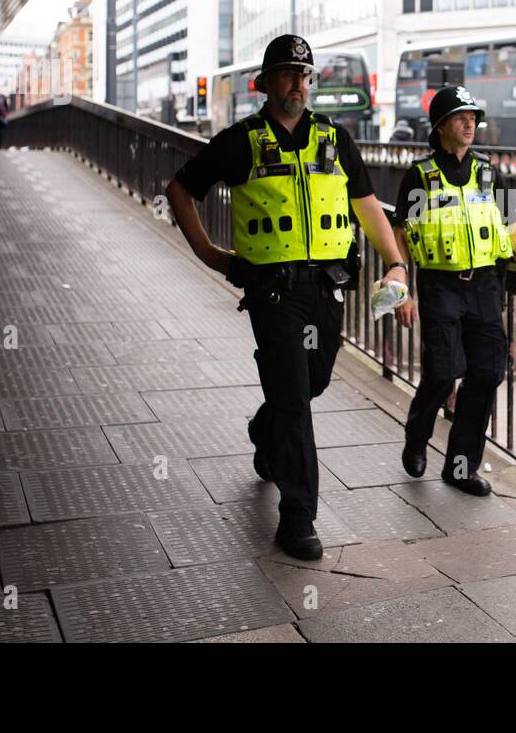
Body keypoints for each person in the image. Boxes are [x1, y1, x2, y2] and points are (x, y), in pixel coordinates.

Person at [165, 34, 409, 560]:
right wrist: (210, 254)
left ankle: (263, 427)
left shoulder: (335, 140)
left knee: (311, 381)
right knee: (296, 398)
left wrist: (395, 263)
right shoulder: (241, 141)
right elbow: (179, 190)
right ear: (266, 82)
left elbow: (367, 206)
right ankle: (298, 517)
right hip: (272, 292)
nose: (298, 84)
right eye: (287, 74)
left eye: (305, 75)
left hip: (327, 287)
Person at [392, 85, 516, 494]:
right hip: (440, 286)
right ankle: (417, 435)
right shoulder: (422, 176)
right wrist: (402, 284)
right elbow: (401, 233)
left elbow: (513, 227)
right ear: (440, 127)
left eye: (473, 117)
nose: (470, 123)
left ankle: (459, 468)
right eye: (460, 117)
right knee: (441, 373)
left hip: (486, 286)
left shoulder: (491, 173)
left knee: (487, 372)